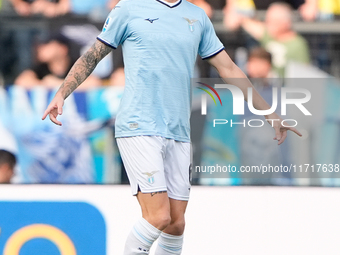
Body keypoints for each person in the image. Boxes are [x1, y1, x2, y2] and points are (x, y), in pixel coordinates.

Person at [42, 0, 302, 254]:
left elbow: (228, 67)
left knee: (177, 224)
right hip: (139, 125)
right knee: (158, 217)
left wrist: (269, 113)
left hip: (179, 131)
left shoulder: (197, 16)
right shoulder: (129, 8)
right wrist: (63, 92)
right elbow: (92, 55)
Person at [228, 2, 310, 77]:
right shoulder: (268, 36)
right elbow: (249, 24)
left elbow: (303, 71)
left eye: (272, 21)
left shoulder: (298, 44)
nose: (267, 24)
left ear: (286, 22)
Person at [15, 35, 101, 89]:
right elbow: (21, 81)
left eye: (47, 44)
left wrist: (57, 85)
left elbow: (95, 82)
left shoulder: (75, 65)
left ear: (63, 49)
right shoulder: (41, 68)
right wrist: (43, 84)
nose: (41, 48)